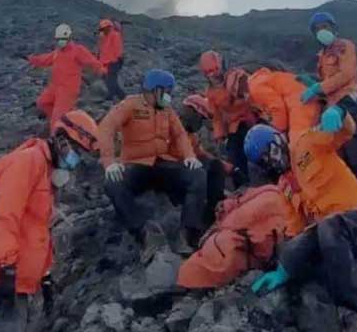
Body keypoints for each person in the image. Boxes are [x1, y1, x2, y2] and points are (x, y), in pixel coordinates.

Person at [244, 115, 357, 331]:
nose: (272, 161)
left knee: (328, 227)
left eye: (270, 152)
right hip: (336, 239)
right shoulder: (285, 187)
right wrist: (284, 266)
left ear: (279, 140)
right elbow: (295, 229)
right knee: (298, 249)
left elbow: (344, 131)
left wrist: (338, 115)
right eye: (265, 161)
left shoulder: (306, 143)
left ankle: (351, 310)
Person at [0, 110, 98, 332]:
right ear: (61, 139)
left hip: (19, 282)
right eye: (76, 151)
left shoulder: (46, 170)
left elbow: (38, 230)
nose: (75, 160)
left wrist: (45, 275)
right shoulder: (27, 162)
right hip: (0, 281)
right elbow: (4, 217)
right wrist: (7, 272)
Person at [97, 69, 207, 251]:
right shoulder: (130, 105)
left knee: (198, 175)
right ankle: (143, 232)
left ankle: (188, 232)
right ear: (157, 90)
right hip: (136, 165)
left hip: (163, 164)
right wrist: (109, 162)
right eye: (168, 92)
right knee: (112, 183)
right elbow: (106, 128)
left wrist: (189, 156)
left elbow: (179, 134)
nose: (170, 97)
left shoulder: (167, 110)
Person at [300, 11, 357, 221]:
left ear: (334, 28)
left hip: (350, 104)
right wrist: (312, 84)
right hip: (333, 109)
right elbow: (328, 82)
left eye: (325, 26)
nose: (321, 31)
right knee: (346, 162)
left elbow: (346, 75)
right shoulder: (322, 56)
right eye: (317, 29)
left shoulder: (345, 47)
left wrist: (318, 87)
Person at [26, 23, 105, 131]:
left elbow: (92, 61)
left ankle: (57, 134)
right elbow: (45, 59)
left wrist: (101, 69)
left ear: (69, 37)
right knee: (42, 102)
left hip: (68, 90)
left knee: (56, 120)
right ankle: (64, 121)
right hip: (54, 87)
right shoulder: (57, 52)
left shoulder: (78, 50)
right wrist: (32, 59)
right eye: (58, 39)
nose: (60, 41)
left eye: (62, 38)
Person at [199, 52, 258, 187]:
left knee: (263, 149)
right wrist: (219, 135)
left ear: (221, 65)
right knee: (235, 158)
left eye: (215, 69)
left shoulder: (237, 76)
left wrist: (238, 88)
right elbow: (217, 116)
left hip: (251, 120)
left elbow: (250, 96)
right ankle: (242, 187)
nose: (213, 74)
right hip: (234, 127)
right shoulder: (211, 92)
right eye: (209, 71)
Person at [179, 94, 235, 224]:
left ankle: (213, 211)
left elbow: (201, 154)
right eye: (201, 118)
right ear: (192, 113)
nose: (200, 123)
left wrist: (229, 168)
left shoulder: (190, 137)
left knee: (214, 166)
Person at [97, 18, 126, 101]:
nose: (103, 30)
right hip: (105, 63)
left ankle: (120, 97)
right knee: (108, 80)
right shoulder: (104, 38)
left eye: (105, 28)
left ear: (110, 27)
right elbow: (102, 51)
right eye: (102, 29)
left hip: (114, 62)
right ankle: (116, 96)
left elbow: (118, 49)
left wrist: (117, 59)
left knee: (111, 80)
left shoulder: (115, 35)